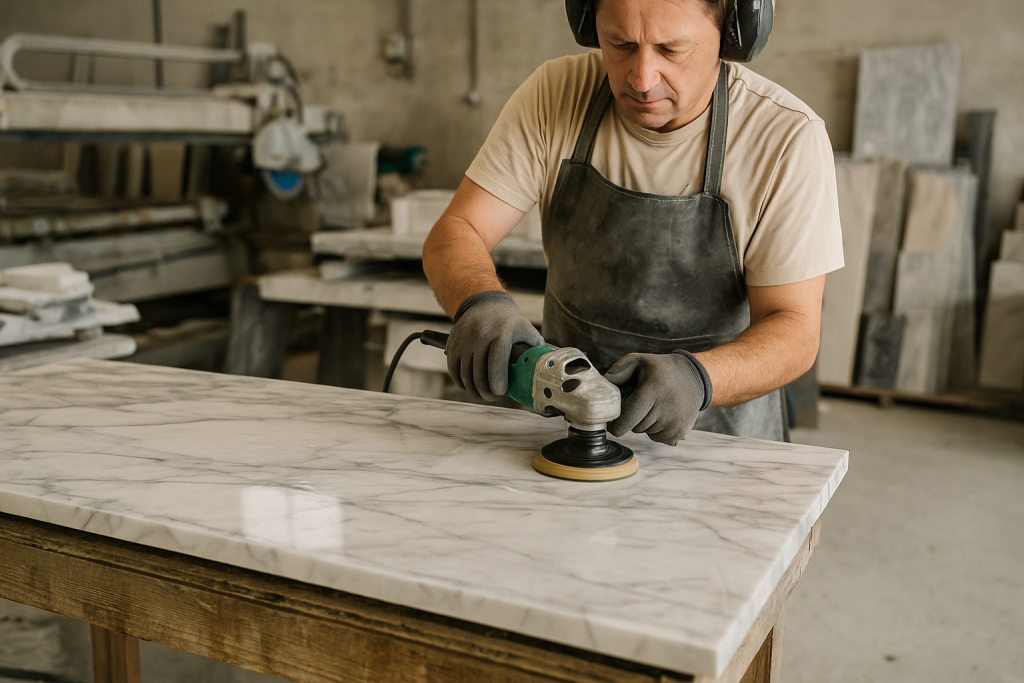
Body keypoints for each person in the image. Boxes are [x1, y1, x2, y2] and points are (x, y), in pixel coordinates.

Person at [422, 0, 843, 445]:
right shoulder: (556, 94)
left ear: (733, 36)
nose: (641, 79)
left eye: (672, 49)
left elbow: (794, 328)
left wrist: (698, 377)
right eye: (620, 44)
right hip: (562, 425)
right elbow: (458, 228)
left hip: (719, 439)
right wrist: (481, 303)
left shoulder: (785, 138)